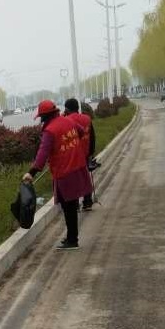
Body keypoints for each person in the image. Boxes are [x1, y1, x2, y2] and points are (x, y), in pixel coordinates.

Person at [23, 99, 91, 251]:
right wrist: (70, 148)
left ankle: (72, 240)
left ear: (45, 116)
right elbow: (81, 132)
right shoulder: (69, 121)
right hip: (78, 166)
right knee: (71, 205)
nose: (41, 120)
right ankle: (72, 237)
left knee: (68, 207)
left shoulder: (50, 131)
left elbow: (42, 154)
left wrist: (31, 172)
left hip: (64, 172)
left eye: (41, 117)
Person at [63, 97, 96, 211]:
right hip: (85, 153)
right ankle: (87, 202)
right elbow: (92, 136)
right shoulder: (87, 118)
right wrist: (91, 152)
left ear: (67, 109)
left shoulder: (66, 120)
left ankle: (75, 204)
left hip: (72, 154)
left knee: (74, 180)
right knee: (85, 178)